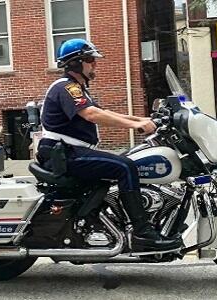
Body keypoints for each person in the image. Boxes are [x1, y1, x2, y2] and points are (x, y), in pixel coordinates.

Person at [38, 38, 182, 251]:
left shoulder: (77, 88)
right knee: (125, 166)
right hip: (62, 155)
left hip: (68, 153)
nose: (94, 64)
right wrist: (136, 127)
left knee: (127, 160)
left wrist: (142, 120)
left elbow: (105, 112)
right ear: (75, 63)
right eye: (89, 60)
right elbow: (92, 114)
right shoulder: (67, 88)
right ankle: (143, 232)